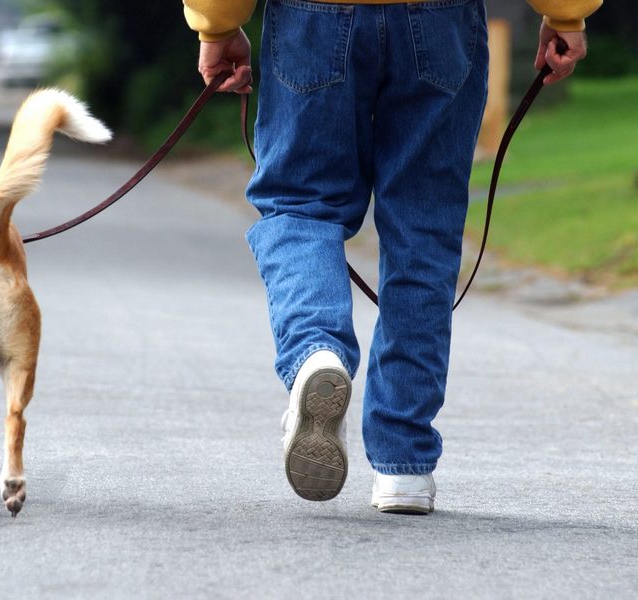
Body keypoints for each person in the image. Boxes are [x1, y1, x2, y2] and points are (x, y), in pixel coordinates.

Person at [183, 0, 601, 513]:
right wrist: (566, 13)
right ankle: (404, 466)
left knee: (301, 206)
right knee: (424, 229)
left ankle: (317, 352)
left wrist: (217, 23)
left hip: (314, 19)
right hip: (440, 21)